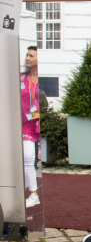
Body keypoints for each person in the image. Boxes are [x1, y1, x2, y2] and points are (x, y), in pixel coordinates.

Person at [21, 46, 41, 208]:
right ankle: (31, 193)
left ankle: (33, 193)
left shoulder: (40, 81)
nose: (27, 58)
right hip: (21, 125)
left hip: (35, 125)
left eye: (31, 55)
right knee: (26, 159)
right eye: (27, 55)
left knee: (29, 159)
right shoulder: (21, 79)